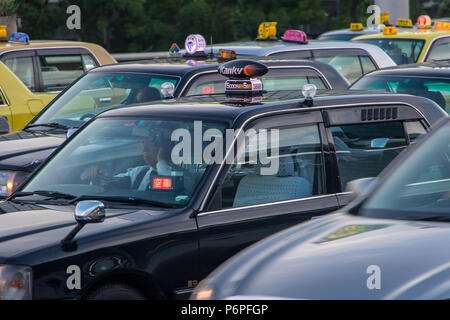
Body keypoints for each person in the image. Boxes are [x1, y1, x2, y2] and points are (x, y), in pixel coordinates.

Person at [82, 137, 172, 190]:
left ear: (162, 149)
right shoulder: (139, 173)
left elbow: (172, 184)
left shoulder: (179, 174)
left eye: (150, 144)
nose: (144, 149)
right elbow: (110, 182)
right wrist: (96, 178)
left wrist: (161, 161)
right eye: (143, 143)